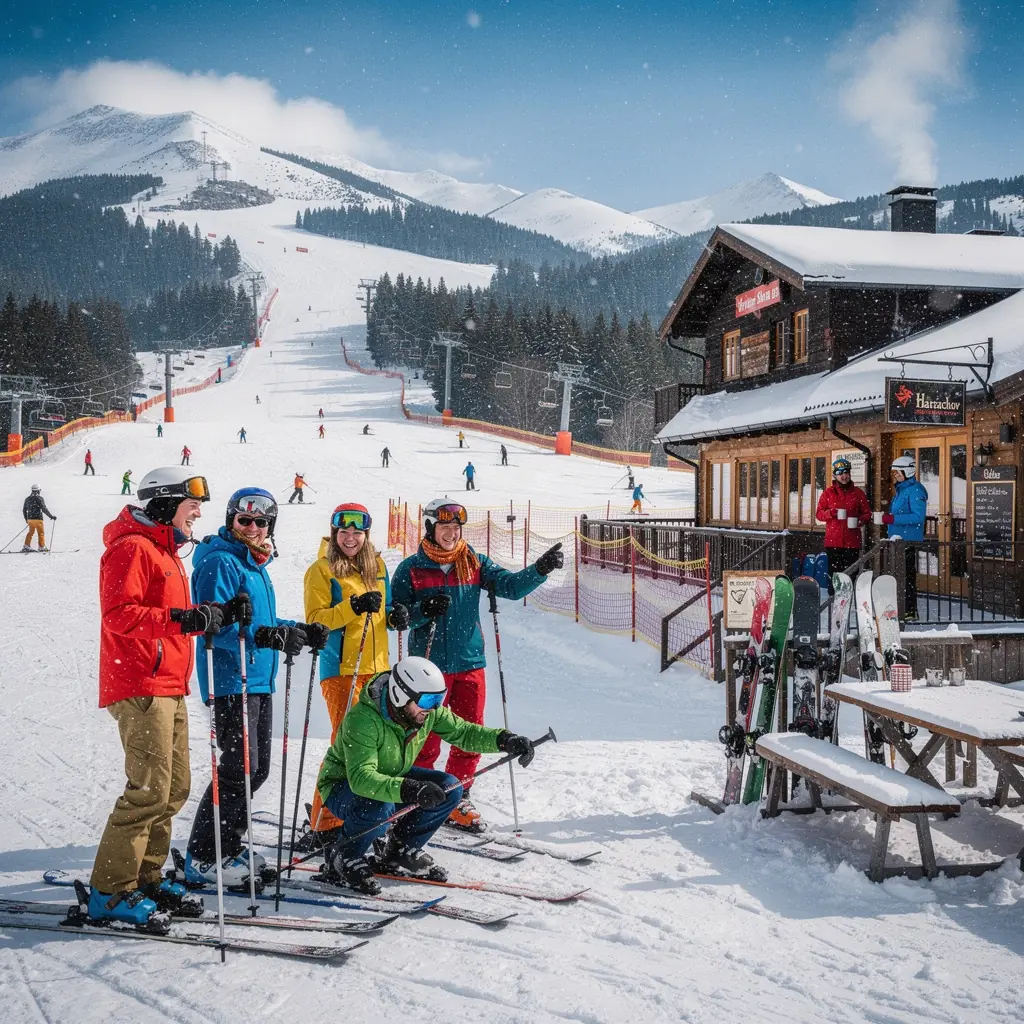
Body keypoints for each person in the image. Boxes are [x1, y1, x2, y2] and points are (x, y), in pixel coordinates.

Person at [87, 467, 244, 927]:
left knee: (174, 788)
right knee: (148, 790)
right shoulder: (133, 548)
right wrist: (185, 620)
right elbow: (120, 615)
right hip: (140, 684)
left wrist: (209, 615)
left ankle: (146, 876)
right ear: (163, 503)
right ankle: (111, 891)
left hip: (169, 684)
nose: (198, 510)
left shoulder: (165, 550)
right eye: (190, 502)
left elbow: (175, 613)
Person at [183, 488, 328, 885]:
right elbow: (217, 624)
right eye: (244, 520)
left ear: (270, 527)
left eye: (260, 522)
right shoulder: (219, 562)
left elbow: (259, 617)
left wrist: (292, 629)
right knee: (237, 770)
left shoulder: (254, 564)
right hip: (232, 680)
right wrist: (265, 637)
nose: (252, 528)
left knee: (256, 769)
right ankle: (204, 856)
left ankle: (226, 844)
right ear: (231, 520)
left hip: (258, 680)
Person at [391, 500, 562, 830]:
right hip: (427, 670)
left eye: (456, 528)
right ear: (430, 528)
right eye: (445, 527)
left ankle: (457, 796)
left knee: (470, 735)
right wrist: (423, 610)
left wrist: (540, 568)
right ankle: (416, 795)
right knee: (424, 739)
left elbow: (510, 587)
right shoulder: (410, 569)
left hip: (470, 663)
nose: (452, 534)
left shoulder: (474, 563)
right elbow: (395, 619)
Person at [316, 657, 535, 893]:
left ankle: (400, 850)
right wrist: (410, 788)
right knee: (379, 808)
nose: (433, 707)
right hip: (344, 786)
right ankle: (345, 856)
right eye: (428, 700)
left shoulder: (425, 712)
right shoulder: (362, 720)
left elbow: (463, 732)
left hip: (392, 776)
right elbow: (362, 778)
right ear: (401, 695)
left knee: (450, 788)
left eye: (438, 699)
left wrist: (504, 740)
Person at [301, 503, 407, 847]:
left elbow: (384, 611)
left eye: (357, 532)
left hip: (377, 671)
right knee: (346, 748)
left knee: (378, 748)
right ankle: (324, 821)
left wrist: (395, 616)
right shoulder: (322, 570)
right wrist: (353, 607)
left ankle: (368, 813)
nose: (350, 538)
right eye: (344, 532)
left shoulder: (376, 566)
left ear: (366, 534)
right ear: (334, 533)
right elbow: (316, 620)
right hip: (342, 670)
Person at [881, 454, 929, 620]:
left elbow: (918, 517)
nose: (895, 476)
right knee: (896, 576)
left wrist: (892, 519)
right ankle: (898, 608)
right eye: (894, 473)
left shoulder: (915, 490)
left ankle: (909, 610)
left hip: (908, 540)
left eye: (898, 472)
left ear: (908, 472)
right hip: (896, 540)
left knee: (907, 577)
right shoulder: (901, 490)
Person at [815, 458, 871, 575]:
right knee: (834, 575)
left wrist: (859, 521)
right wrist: (830, 513)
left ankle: (850, 594)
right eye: (840, 473)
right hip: (833, 542)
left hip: (852, 542)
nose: (844, 476)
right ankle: (833, 594)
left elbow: (867, 514)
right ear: (835, 475)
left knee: (851, 575)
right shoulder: (828, 493)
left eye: (846, 472)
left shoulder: (858, 493)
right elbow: (819, 514)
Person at [22, 484, 56, 552]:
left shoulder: (27, 499)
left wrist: (26, 519)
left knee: (30, 532)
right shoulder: (40, 498)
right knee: (41, 533)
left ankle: (26, 545)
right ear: (38, 490)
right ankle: (41, 546)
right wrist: (51, 516)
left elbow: (24, 510)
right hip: (38, 518)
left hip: (30, 519)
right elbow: (44, 509)